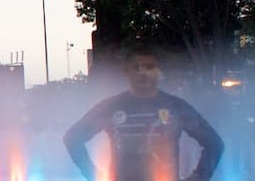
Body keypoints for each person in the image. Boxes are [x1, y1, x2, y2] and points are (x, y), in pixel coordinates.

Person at [64, 48, 223, 181]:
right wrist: (94, 175)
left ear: (158, 71)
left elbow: (214, 143)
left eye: (149, 67)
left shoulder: (175, 107)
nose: (143, 73)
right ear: (126, 71)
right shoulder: (111, 107)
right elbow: (73, 138)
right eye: (137, 67)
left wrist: (198, 177)